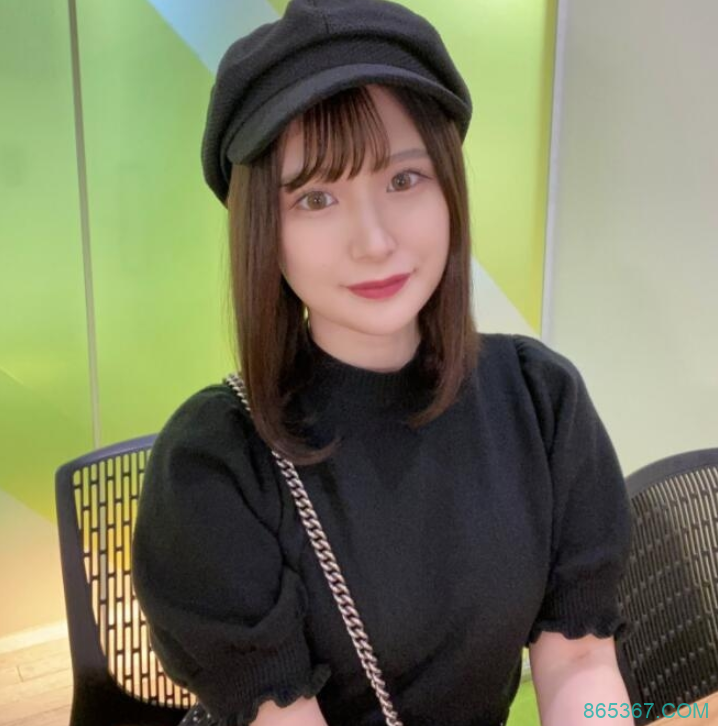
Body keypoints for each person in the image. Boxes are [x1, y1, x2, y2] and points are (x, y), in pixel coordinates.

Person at [131, 1, 634, 725]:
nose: (373, 241)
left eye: (403, 180)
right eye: (317, 198)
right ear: (263, 231)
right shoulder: (215, 465)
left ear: (449, 187)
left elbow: (581, 661)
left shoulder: (540, 400)